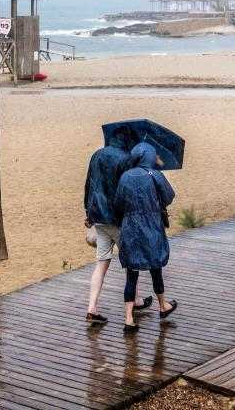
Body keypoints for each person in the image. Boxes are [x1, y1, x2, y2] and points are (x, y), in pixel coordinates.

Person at [84, 127, 151, 325]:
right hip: (117, 219)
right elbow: (127, 190)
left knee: (101, 263)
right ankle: (133, 307)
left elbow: (88, 184)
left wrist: (88, 213)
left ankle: (92, 308)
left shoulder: (96, 155)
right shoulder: (125, 159)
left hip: (98, 216)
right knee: (132, 261)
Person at [114, 142, 178, 333]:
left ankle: (128, 318)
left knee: (131, 273)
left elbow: (118, 203)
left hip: (130, 229)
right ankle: (162, 305)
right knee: (155, 266)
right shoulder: (154, 174)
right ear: (149, 156)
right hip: (151, 227)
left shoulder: (125, 176)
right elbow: (169, 196)